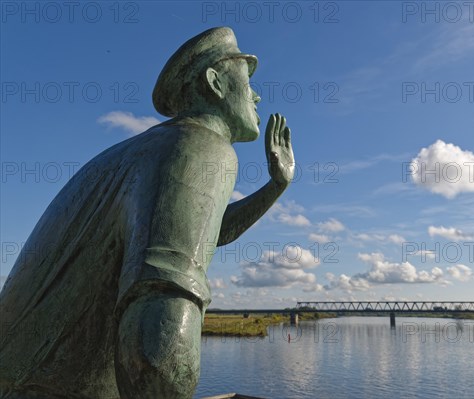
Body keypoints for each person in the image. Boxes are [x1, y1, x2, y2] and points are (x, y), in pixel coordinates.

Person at [0, 27, 294, 398]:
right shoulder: (200, 148)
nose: (256, 94)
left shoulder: (142, 151)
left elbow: (201, 231)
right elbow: (159, 345)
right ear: (215, 82)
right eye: (246, 77)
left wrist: (274, 187)